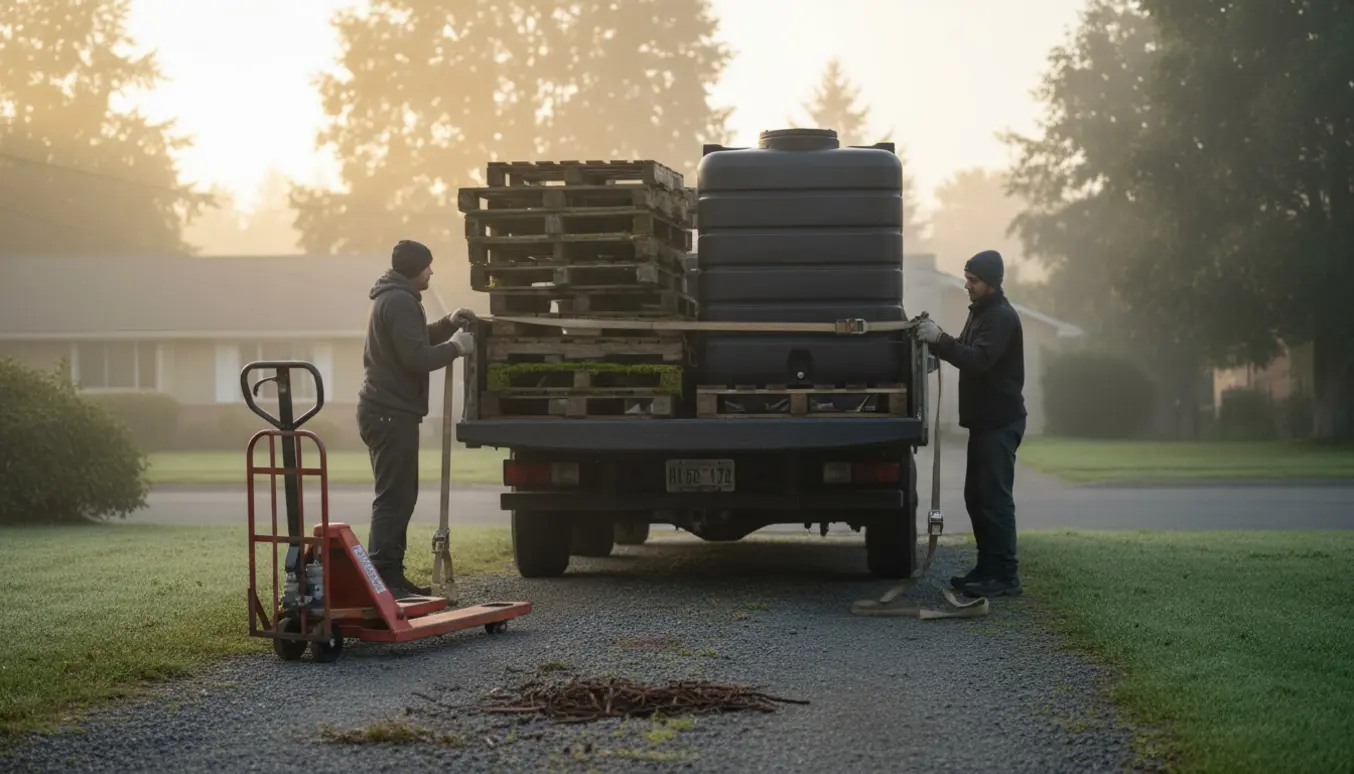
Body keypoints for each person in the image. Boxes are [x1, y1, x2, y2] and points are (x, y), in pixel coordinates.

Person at [357, 239, 476, 600]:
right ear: (414, 269)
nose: (432, 272)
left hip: (390, 412)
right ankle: (384, 581)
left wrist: (447, 324)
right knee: (395, 498)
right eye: (428, 266)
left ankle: (392, 578)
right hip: (389, 413)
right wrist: (456, 348)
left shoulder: (394, 298)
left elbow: (414, 340)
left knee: (401, 496)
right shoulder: (399, 301)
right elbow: (415, 357)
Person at [916, 249, 1027, 597]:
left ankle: (1005, 576)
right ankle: (987, 567)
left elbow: (978, 360)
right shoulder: (980, 313)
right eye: (967, 278)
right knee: (976, 497)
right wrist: (933, 347)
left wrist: (939, 339)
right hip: (983, 423)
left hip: (1000, 422)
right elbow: (962, 349)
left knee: (994, 499)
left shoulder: (1001, 318)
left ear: (992, 283)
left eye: (974, 280)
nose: (967, 285)